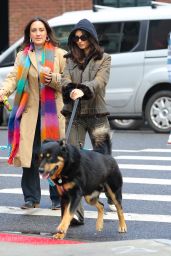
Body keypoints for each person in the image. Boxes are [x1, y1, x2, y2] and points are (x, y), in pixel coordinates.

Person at [0, 17, 66, 210]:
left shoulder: (60, 55)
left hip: (52, 113)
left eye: (41, 30)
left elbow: (67, 81)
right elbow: (13, 78)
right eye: (34, 30)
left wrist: (52, 78)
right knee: (30, 155)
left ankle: (57, 197)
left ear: (47, 33)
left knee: (54, 155)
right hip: (29, 113)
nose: (38, 33)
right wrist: (3, 91)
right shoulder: (23, 56)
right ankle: (31, 197)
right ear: (29, 34)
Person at [61, 18, 115, 225]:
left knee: (105, 158)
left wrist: (82, 89)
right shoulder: (69, 59)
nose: (80, 41)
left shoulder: (105, 59)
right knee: (72, 161)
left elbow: (100, 82)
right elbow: (64, 79)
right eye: (76, 38)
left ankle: (111, 192)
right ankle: (76, 212)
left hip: (98, 115)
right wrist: (68, 88)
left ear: (91, 37)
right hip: (74, 116)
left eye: (83, 37)